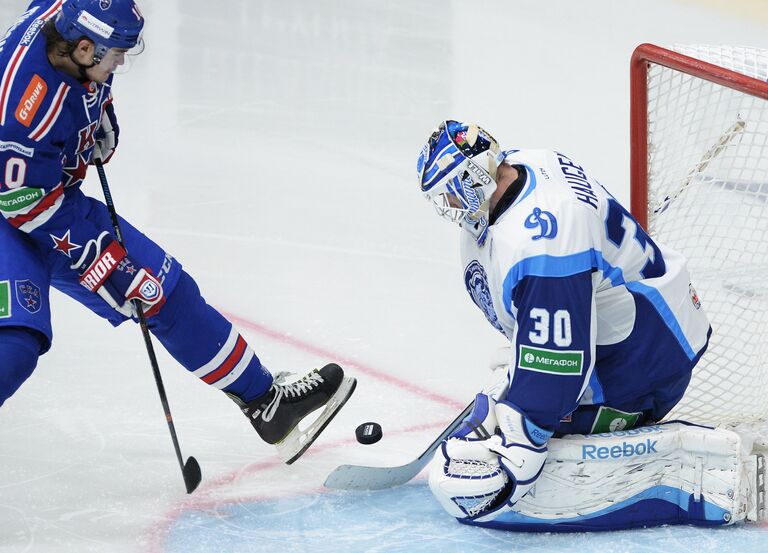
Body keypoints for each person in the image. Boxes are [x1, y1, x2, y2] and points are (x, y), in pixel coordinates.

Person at [0, 0, 355, 467]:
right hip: (18, 212)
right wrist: (100, 258)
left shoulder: (63, 22)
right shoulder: (29, 111)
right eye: (115, 54)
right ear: (84, 48)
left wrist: (98, 112)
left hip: (49, 197)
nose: (122, 61)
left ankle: (269, 406)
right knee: (18, 341)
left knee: (165, 288)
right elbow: (24, 204)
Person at [414, 121, 762, 530]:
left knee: (504, 490)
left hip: (644, 357)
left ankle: (681, 479)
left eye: (453, 193)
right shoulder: (528, 162)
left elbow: (558, 368)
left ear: (476, 178)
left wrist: (522, 435)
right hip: (646, 319)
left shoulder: (541, 244)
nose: (451, 208)